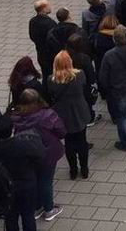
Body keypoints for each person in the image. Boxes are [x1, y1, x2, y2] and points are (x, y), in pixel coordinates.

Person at [10, 89, 64, 222]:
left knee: (34, 179)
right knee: (46, 181)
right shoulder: (47, 115)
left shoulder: (16, 116)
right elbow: (61, 131)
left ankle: (36, 207)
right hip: (47, 152)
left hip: (27, 153)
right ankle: (49, 209)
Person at [0, 116, 44, 231]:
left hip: (5, 187)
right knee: (28, 216)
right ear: (12, 129)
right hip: (26, 184)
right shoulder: (23, 144)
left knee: (10, 218)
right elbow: (39, 158)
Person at [46, 52, 92, 180]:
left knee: (69, 143)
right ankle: (84, 169)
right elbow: (84, 87)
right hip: (79, 112)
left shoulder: (51, 80)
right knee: (82, 141)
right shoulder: (79, 75)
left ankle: (73, 169)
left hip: (63, 114)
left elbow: (51, 95)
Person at [28, 0, 56, 80]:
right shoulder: (50, 23)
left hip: (40, 53)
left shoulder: (32, 21)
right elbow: (54, 40)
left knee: (45, 73)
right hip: (50, 55)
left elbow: (32, 36)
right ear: (43, 9)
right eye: (48, 6)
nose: (50, 7)